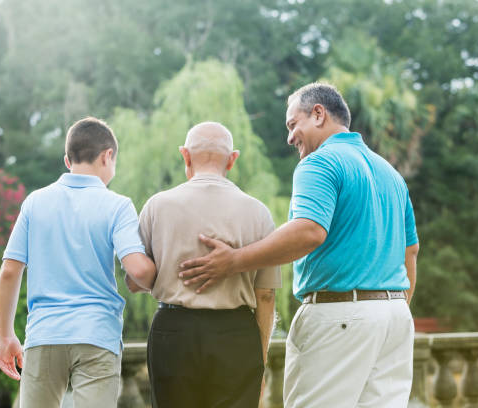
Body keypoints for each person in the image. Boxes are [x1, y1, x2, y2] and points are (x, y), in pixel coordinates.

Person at [179, 84, 420, 407]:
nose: (290, 137)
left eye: (293, 124)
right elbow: (410, 252)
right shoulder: (390, 174)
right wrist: (393, 308)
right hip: (395, 318)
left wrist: (234, 260)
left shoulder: (319, 163)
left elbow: (309, 231)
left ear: (318, 114)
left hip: (340, 316)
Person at [0, 117, 156, 408]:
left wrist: (6, 335)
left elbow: (9, 271)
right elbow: (138, 270)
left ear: (67, 160)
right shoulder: (117, 206)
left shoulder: (35, 202)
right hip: (96, 335)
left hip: (44, 333)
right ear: (108, 156)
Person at [127, 122, 281, 408]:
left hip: (173, 331)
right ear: (232, 159)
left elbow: (136, 281)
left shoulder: (157, 206)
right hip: (236, 334)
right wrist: (258, 361)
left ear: (185, 155)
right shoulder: (258, 212)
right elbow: (266, 295)